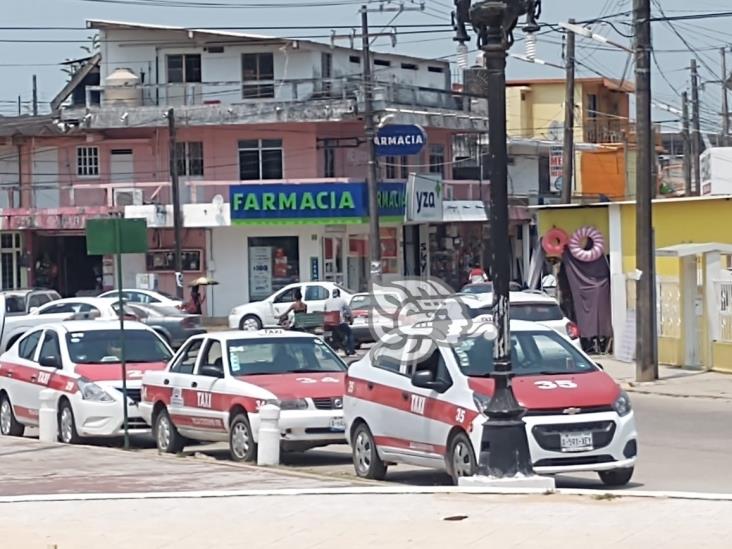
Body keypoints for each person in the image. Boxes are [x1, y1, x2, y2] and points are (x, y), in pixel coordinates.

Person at [325, 288, 355, 356]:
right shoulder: (342, 300)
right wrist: (351, 319)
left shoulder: (327, 301)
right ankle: (351, 350)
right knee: (349, 333)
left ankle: (330, 351)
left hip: (329, 323)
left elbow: (325, 310)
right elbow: (348, 311)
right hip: (339, 322)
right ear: (339, 294)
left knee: (332, 336)